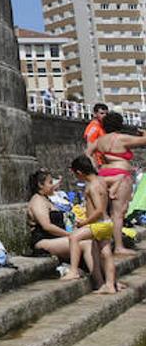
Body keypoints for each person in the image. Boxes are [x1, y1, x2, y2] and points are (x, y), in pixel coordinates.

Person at [26, 169, 102, 285]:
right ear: (40, 185)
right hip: (43, 241)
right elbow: (47, 226)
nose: (53, 186)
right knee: (86, 243)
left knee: (93, 240)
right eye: (50, 183)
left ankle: (105, 280)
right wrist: (70, 235)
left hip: (56, 238)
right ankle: (98, 281)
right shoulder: (37, 201)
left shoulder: (46, 199)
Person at [88, 111, 145, 256]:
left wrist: (95, 167)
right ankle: (119, 246)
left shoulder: (100, 141)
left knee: (104, 213)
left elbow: (87, 153)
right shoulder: (122, 138)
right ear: (120, 124)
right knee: (118, 213)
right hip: (120, 175)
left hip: (102, 175)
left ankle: (103, 246)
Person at [67, 155, 120, 294]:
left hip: (99, 223)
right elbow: (119, 179)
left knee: (73, 237)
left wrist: (84, 222)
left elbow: (99, 210)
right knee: (106, 253)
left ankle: (73, 271)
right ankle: (109, 284)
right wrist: (112, 192)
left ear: (79, 173)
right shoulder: (101, 180)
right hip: (108, 223)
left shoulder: (92, 186)